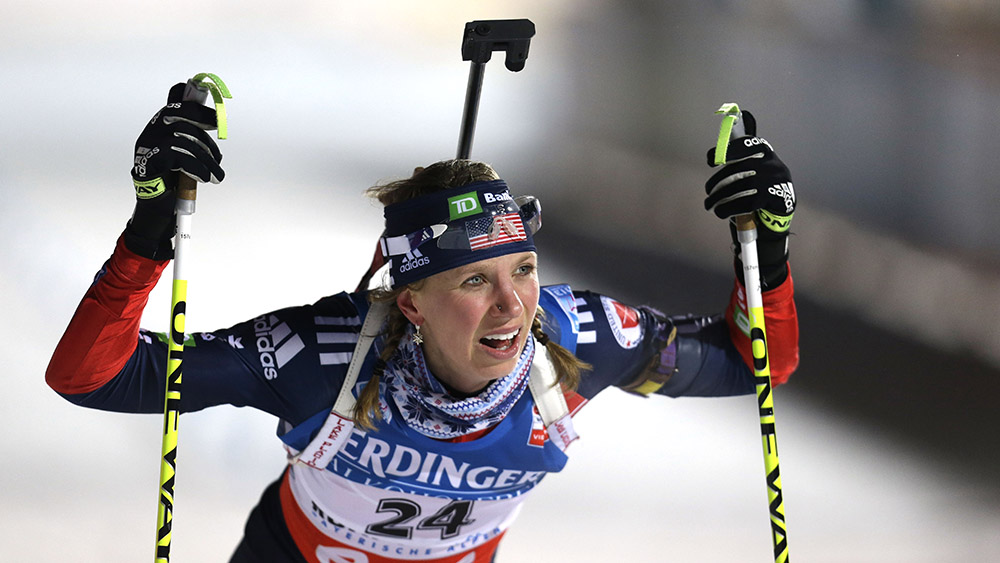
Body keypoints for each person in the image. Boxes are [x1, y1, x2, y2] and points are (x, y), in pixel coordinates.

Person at [46, 81, 799, 563]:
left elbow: (752, 362)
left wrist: (766, 248)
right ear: (409, 302)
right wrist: (149, 231)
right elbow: (91, 376)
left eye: (524, 270)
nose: (513, 305)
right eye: (475, 280)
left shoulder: (575, 339)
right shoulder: (324, 355)